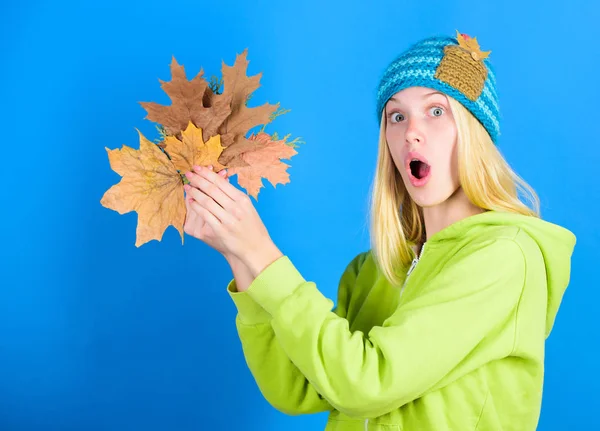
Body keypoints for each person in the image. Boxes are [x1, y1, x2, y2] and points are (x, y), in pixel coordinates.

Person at [182, 31, 577, 431]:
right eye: (396, 116)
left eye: (436, 111)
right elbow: (297, 388)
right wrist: (239, 255)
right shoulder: (374, 269)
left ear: (475, 131)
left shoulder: (504, 257)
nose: (411, 132)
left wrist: (263, 254)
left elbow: (367, 383)